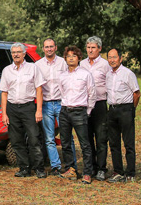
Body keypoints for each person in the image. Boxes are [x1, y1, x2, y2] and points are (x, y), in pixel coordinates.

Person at [0, 42, 47, 178]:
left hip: (28, 107)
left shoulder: (33, 68)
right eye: (13, 52)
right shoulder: (7, 70)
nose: (15, 54)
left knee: (34, 139)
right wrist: (4, 114)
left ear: (24, 53)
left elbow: (39, 90)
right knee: (16, 141)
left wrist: (38, 110)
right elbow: (4, 93)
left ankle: (39, 168)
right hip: (12, 108)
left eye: (18, 52)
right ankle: (24, 168)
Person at [35, 38, 76, 176]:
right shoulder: (38, 64)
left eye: (51, 46)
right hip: (46, 104)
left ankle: (72, 165)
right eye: (46, 47)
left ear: (56, 48)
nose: (49, 49)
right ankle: (56, 166)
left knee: (67, 136)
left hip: (61, 103)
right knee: (49, 137)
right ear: (43, 48)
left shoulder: (63, 63)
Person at [59, 45, 96, 184]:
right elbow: (62, 92)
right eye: (68, 56)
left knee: (85, 144)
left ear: (79, 58)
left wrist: (87, 111)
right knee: (66, 143)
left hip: (80, 111)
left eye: (73, 56)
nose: (71, 59)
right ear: (65, 59)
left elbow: (91, 94)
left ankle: (87, 172)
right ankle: (71, 169)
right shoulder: (62, 75)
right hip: (64, 111)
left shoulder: (85, 74)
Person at [80, 36, 112, 181]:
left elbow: (110, 84)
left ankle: (101, 168)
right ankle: (91, 167)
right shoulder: (82, 64)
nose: (90, 50)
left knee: (101, 138)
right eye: (88, 47)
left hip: (99, 104)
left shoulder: (105, 65)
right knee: (87, 138)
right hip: (85, 104)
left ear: (99, 48)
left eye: (93, 47)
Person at [106, 49, 141, 183]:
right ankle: (118, 171)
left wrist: (131, 110)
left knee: (128, 143)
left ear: (120, 58)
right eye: (109, 57)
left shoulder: (128, 74)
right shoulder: (108, 74)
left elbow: (136, 93)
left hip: (125, 109)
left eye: (114, 57)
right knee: (114, 143)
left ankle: (130, 172)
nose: (112, 60)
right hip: (112, 110)